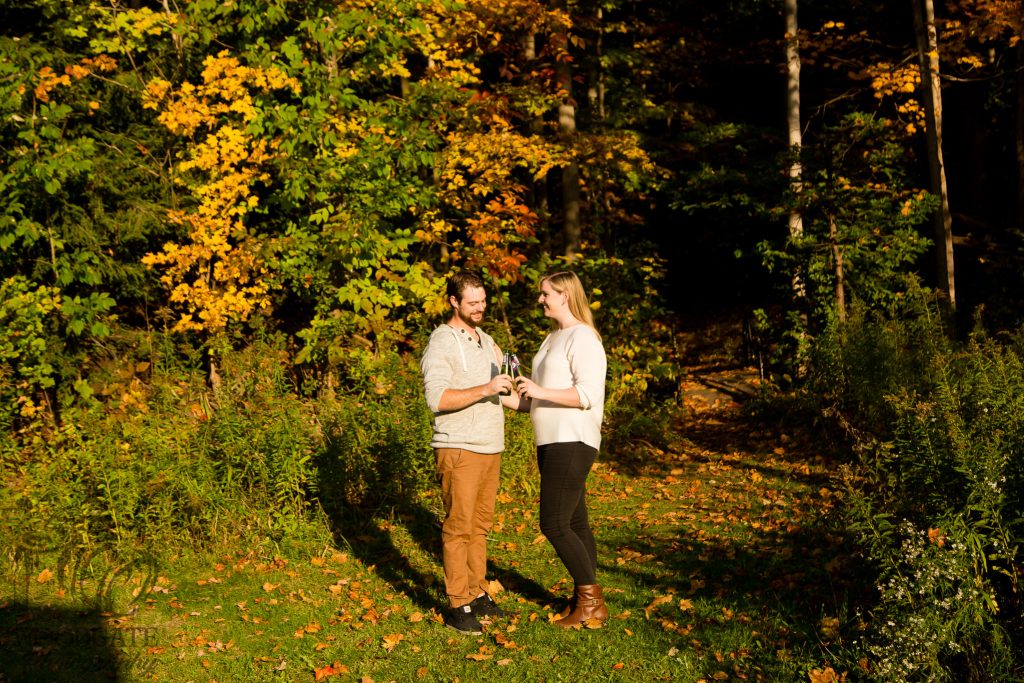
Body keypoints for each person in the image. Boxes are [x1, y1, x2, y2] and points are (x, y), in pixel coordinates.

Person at [419, 271, 523, 635]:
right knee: (459, 528)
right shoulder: (443, 342)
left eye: (483, 301)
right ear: (454, 302)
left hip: (491, 446)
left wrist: (533, 404)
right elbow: (438, 398)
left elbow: (503, 393)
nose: (480, 308)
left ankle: (478, 593)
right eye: (472, 303)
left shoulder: (486, 339)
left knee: (480, 527)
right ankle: (456, 603)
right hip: (459, 447)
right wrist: (486, 387)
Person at [515, 271, 608, 628]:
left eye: (545, 294)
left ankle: (590, 600)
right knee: (575, 522)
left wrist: (539, 392)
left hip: (573, 439)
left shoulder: (583, 338)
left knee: (553, 522)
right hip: (550, 439)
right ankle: (584, 601)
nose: (540, 300)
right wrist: (508, 397)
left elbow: (587, 395)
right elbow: (538, 401)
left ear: (565, 296)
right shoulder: (552, 338)